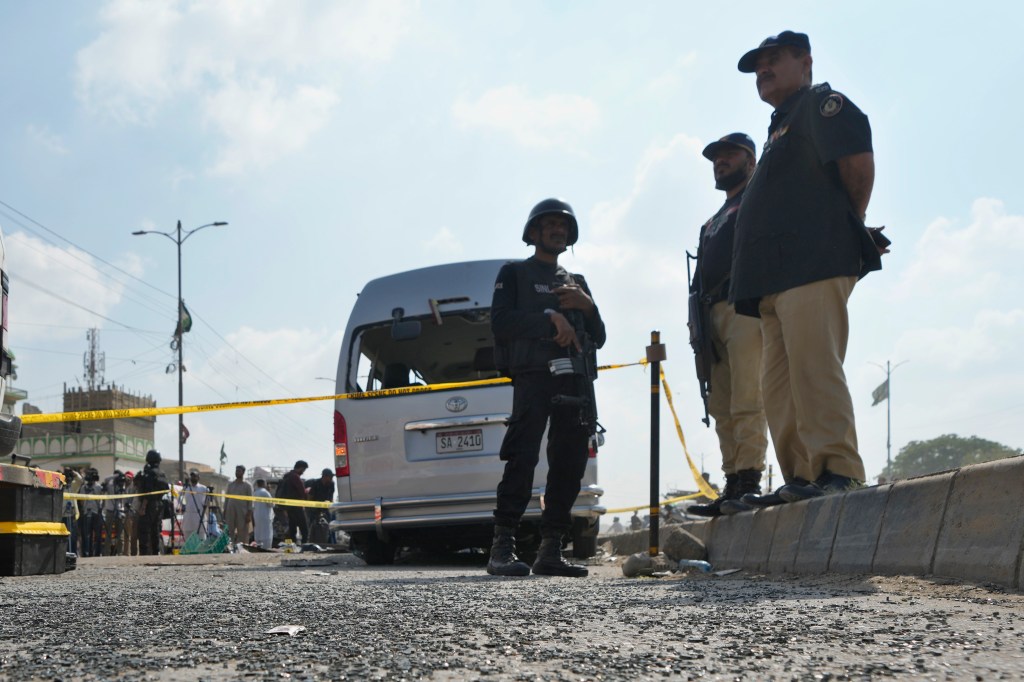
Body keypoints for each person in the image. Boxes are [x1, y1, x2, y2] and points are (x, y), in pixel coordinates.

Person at [729, 31, 884, 506]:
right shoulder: (779, 128)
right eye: (759, 65)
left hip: (813, 263)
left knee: (815, 370)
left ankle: (838, 470)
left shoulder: (822, 105)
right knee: (779, 386)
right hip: (771, 280)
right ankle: (801, 477)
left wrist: (845, 230)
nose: (764, 70)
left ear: (806, 61)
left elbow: (858, 167)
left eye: (775, 59)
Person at [487, 198, 606, 578]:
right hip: (533, 377)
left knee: (569, 462)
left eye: (563, 226)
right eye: (550, 224)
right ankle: (502, 547)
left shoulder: (577, 283)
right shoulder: (515, 273)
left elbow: (599, 338)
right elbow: (502, 323)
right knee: (522, 456)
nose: (557, 230)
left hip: (573, 380)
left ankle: (551, 549)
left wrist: (587, 309)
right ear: (534, 232)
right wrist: (549, 316)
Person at [686, 133, 769, 517]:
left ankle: (749, 479)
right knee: (720, 404)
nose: (721, 162)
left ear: (750, 161)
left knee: (747, 397)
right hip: (710, 316)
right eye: (716, 158)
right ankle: (732, 480)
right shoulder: (711, 221)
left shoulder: (757, 199)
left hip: (744, 305)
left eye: (730, 155)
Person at [137, 450, 169, 555]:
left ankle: (144, 555)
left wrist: (143, 506)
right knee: (155, 530)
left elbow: (148, 491)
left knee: (144, 531)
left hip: (149, 505)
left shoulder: (149, 473)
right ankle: (156, 553)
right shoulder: (162, 473)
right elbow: (166, 489)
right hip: (159, 504)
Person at [277, 460, 310, 543]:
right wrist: (308, 490)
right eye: (303, 470)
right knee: (304, 528)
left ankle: (292, 545)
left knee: (292, 527)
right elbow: (302, 491)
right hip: (297, 506)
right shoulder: (295, 477)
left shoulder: (287, 476)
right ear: (301, 468)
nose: (303, 472)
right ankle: (305, 545)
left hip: (288, 507)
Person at [224, 465, 253, 546]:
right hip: (230, 511)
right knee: (229, 530)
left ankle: (242, 548)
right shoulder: (231, 485)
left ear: (243, 472)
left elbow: (250, 501)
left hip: (242, 512)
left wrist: (249, 514)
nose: (237, 473)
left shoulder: (247, 485)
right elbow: (227, 499)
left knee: (242, 532)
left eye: (239, 471)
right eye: (236, 471)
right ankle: (230, 547)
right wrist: (224, 510)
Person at [78, 468, 104, 557]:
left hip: (96, 512)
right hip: (86, 512)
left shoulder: (98, 487)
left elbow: (103, 498)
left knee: (98, 535)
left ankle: (97, 553)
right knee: (86, 535)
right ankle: (87, 553)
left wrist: (101, 509)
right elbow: (81, 501)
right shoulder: (83, 487)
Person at [305, 468, 335, 545]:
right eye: (330, 476)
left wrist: (330, 506)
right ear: (324, 476)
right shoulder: (316, 483)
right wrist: (310, 507)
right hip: (314, 507)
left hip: (326, 507)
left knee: (329, 524)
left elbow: (331, 497)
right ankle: (312, 542)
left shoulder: (331, 484)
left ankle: (329, 542)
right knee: (312, 524)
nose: (331, 478)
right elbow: (310, 496)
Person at [179, 469, 209, 541]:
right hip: (188, 516)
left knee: (201, 538)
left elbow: (208, 499)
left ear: (198, 478)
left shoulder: (203, 488)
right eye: (192, 476)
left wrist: (205, 505)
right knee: (188, 537)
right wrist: (183, 505)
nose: (193, 478)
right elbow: (179, 497)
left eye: (195, 476)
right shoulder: (186, 488)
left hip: (199, 515)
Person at [252, 479, 274, 549]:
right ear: (264, 484)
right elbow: (271, 504)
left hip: (256, 516)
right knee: (267, 533)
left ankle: (257, 546)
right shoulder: (266, 493)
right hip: (265, 516)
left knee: (258, 532)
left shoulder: (255, 493)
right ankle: (266, 547)